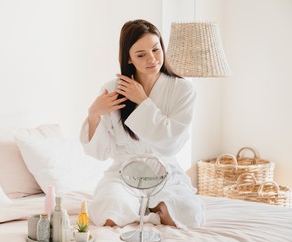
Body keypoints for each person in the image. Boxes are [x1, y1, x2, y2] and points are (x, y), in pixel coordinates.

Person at [79, 19, 206, 229]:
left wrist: (143, 102)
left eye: (156, 50)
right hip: (124, 171)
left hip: (164, 171)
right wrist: (93, 114)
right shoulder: (112, 89)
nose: (152, 59)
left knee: (188, 216)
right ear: (128, 58)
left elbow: (171, 143)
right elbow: (101, 152)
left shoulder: (183, 89)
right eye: (141, 54)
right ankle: (146, 211)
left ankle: (145, 211)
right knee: (108, 214)